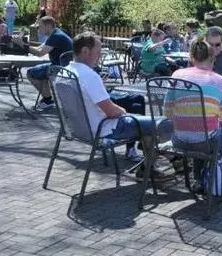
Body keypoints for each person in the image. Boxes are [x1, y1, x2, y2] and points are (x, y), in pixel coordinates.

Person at [68, 33, 173, 174]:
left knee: (141, 115)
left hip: (80, 129)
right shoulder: (89, 76)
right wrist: (124, 112)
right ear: (85, 51)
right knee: (163, 123)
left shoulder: (64, 73)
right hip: (104, 128)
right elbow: (112, 112)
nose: (100, 56)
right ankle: (151, 167)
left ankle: (151, 158)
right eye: (98, 52)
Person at [166, 36, 222, 196]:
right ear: (213, 58)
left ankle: (199, 180)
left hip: (178, 140)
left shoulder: (177, 74)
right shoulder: (220, 81)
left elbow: (167, 110)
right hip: (206, 142)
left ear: (192, 58)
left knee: (202, 130)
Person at [27, 16, 73, 110]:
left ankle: (47, 100)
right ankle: (47, 100)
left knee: (31, 73)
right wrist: (25, 45)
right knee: (39, 72)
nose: (38, 29)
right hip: (64, 66)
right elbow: (40, 47)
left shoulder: (56, 36)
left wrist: (23, 46)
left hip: (60, 68)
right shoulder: (56, 33)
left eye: (40, 26)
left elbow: (40, 53)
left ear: (48, 26)